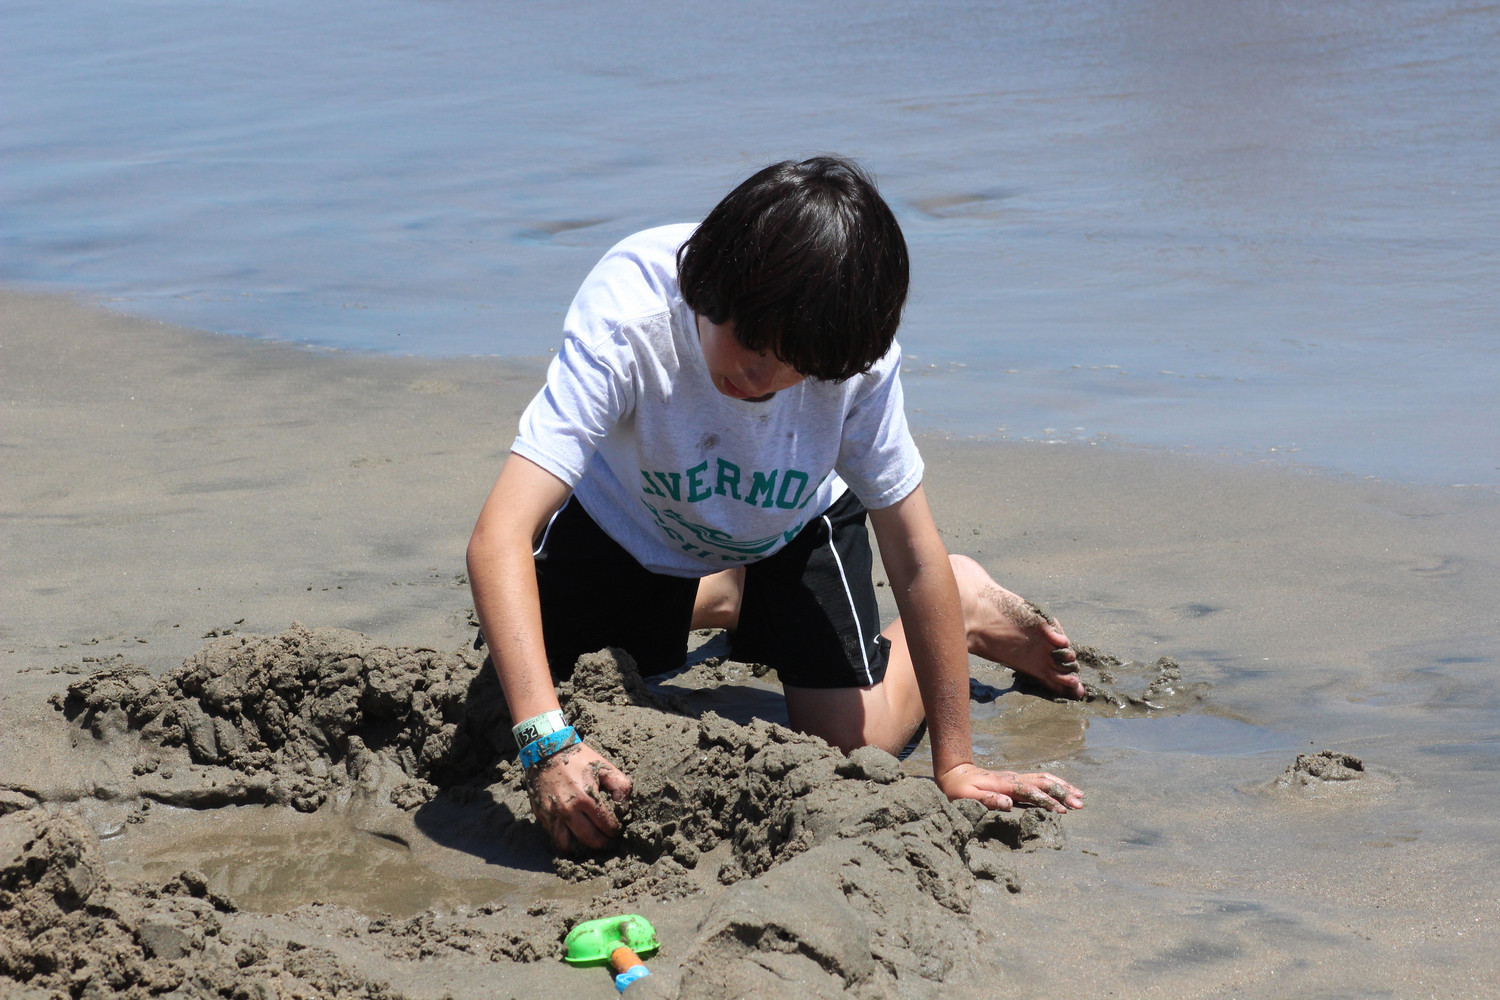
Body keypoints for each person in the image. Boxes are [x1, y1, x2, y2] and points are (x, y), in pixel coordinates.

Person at [466, 156, 1085, 854]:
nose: (765, 378)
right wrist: (546, 743)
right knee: (518, 692)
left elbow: (914, 556)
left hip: (797, 524)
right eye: (755, 345)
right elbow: (499, 537)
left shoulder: (854, 357)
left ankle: (966, 602)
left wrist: (957, 763)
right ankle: (731, 591)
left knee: (854, 744)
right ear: (704, 286)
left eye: (801, 368)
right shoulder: (630, 314)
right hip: (629, 523)